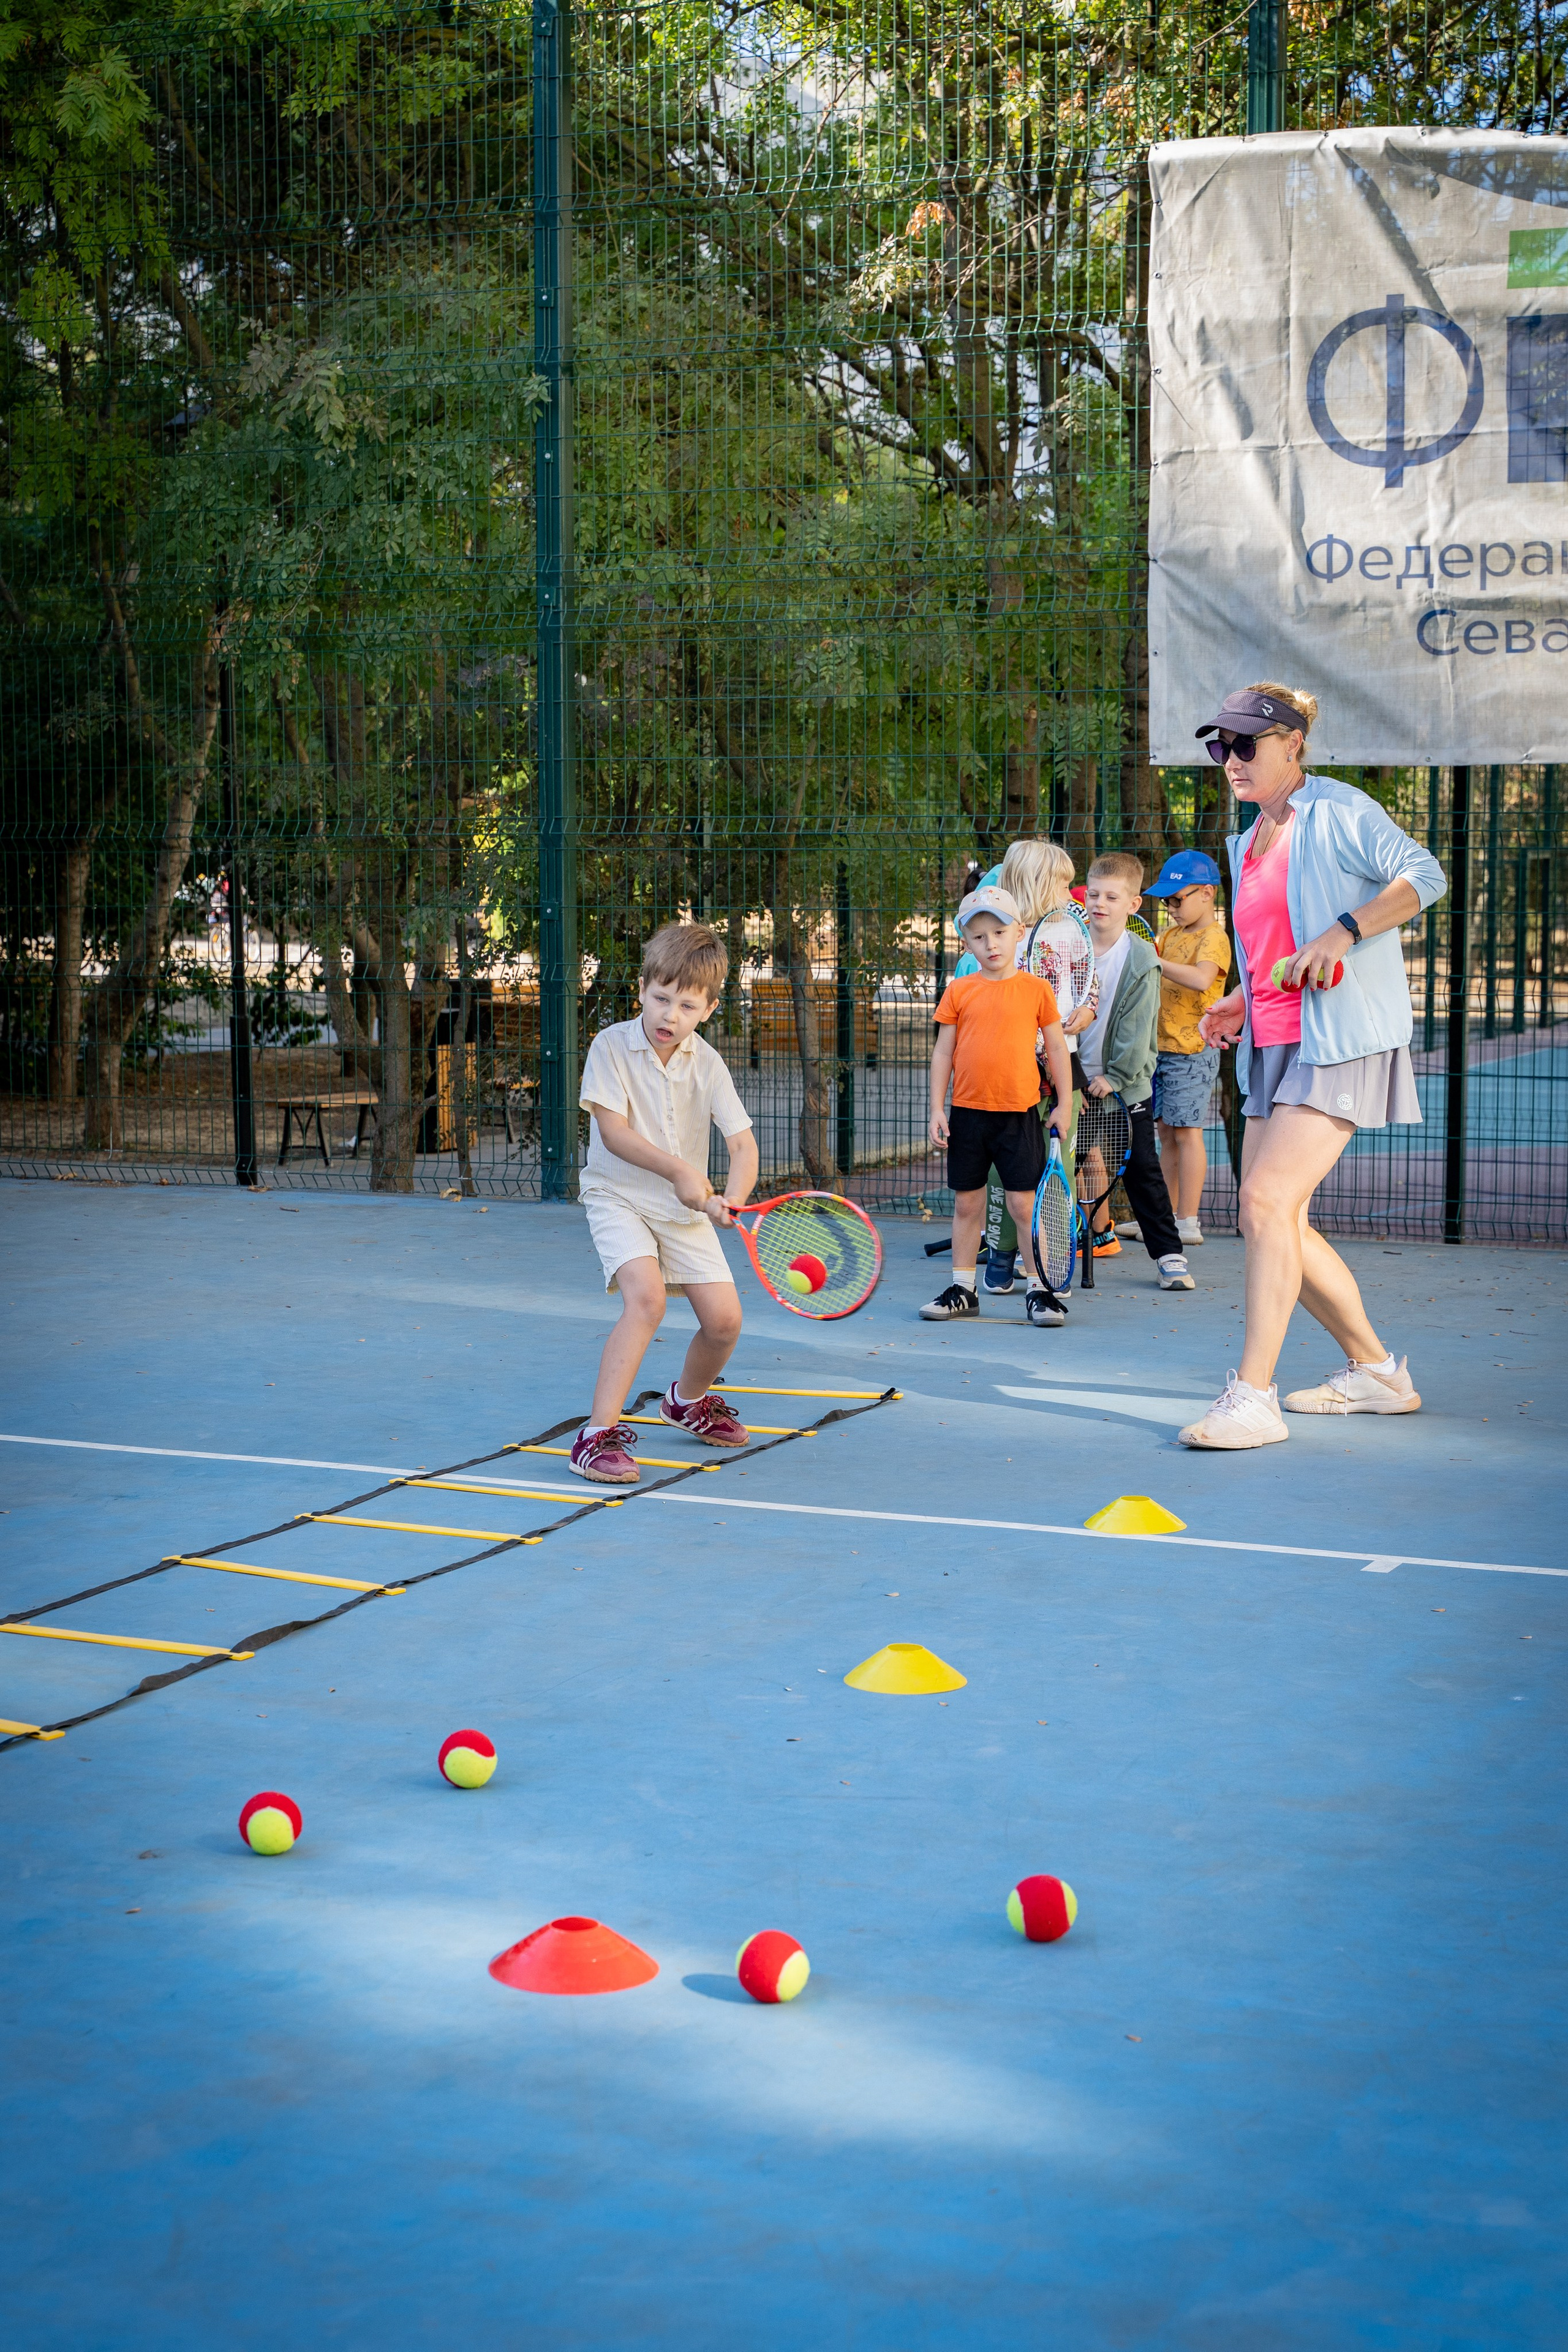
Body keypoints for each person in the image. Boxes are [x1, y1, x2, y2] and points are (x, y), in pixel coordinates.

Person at [1178, 683, 1446, 1451]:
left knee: (1264, 1204)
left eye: (1244, 744)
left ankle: (1253, 1397)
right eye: (1218, 746)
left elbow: (1424, 875)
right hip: (1275, 1038)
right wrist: (1241, 1000)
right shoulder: (1246, 837)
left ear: (1292, 744)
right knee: (1272, 1216)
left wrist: (1342, 933)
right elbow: (1272, 948)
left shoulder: (1339, 810)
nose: (1228, 759)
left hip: (1344, 1039)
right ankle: (1376, 1372)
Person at [571, 921, 760, 1484]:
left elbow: (742, 1144)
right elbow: (614, 1134)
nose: (668, 1016)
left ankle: (686, 1402)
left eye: (685, 1005)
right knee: (647, 1300)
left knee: (725, 1323)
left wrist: (733, 1196)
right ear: (641, 990)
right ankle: (595, 1436)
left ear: (708, 1008)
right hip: (617, 1196)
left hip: (684, 1210)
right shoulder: (611, 1046)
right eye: (660, 999)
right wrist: (682, 1170)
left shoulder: (708, 1063)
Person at [922, 884, 1075, 1327]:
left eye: (999, 932)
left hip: (1020, 1115)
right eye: (979, 936)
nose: (990, 944)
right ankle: (963, 1290)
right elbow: (942, 1054)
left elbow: (1058, 1051)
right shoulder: (959, 991)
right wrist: (937, 1108)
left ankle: (1041, 1291)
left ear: (1019, 933)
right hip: (968, 1115)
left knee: (1023, 1204)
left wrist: (1064, 1104)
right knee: (967, 1205)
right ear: (967, 944)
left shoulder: (1036, 990)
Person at [951, 840, 1098, 1293]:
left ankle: (1051, 1264)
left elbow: (1089, 986)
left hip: (1060, 1065)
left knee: (1057, 1166)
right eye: (1063, 881)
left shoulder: (1073, 929)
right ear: (1036, 883)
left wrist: (1086, 1012)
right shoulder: (999, 936)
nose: (1072, 890)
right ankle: (1001, 1254)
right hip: (1007, 1069)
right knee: (1000, 1172)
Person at [1076, 853, 1193, 1290]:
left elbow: (1137, 1026)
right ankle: (1034, 1255)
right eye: (1093, 894)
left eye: (1111, 896)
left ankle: (1169, 1255)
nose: (1099, 903)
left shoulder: (1143, 958)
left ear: (1134, 904)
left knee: (1143, 1168)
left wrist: (1117, 1078)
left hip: (1126, 1085)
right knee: (1057, 1163)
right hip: (1074, 1081)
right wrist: (1068, 1073)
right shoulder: (1070, 947)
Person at [1129, 851, 1232, 1249]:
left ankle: (1188, 1221)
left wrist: (1155, 962)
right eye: (1167, 902)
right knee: (1166, 1134)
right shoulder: (1170, 937)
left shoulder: (1214, 937)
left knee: (1188, 1133)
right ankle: (1164, 1220)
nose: (1171, 908)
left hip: (1192, 1051)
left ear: (1206, 893)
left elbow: (1202, 977)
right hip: (1160, 1052)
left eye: (1178, 899)